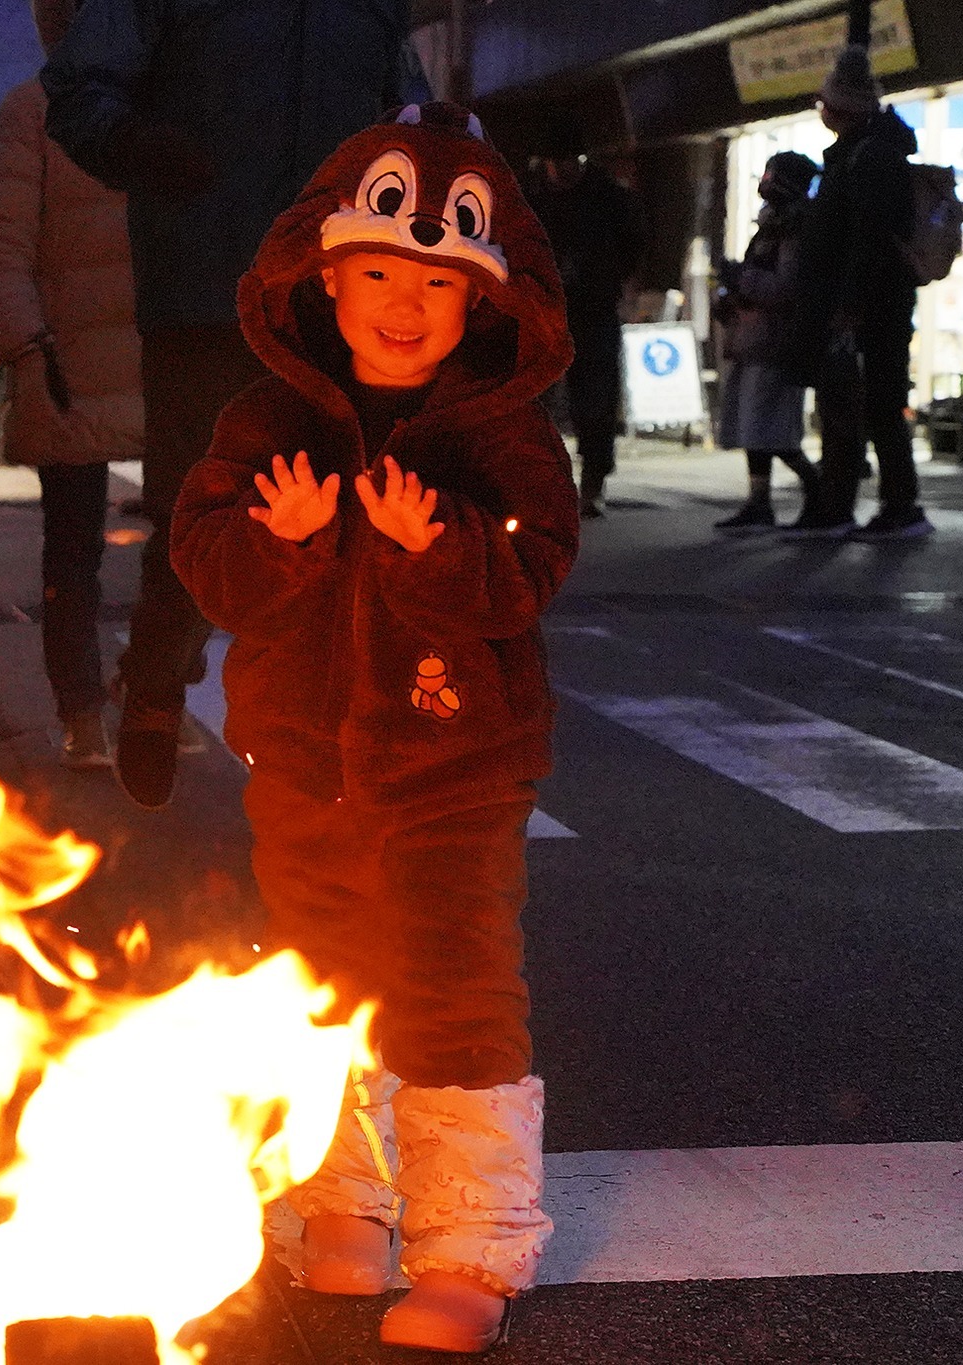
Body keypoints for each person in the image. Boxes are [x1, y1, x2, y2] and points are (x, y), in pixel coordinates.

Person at [172, 104, 578, 1354]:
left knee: (453, 991)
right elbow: (206, 568)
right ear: (324, 278)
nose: (404, 305)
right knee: (320, 983)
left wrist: (438, 548)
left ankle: (468, 1248)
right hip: (301, 766)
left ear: (482, 299)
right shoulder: (264, 419)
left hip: (457, 769)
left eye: (437, 284)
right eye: (378, 274)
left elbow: (529, 575)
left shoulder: (499, 432)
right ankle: (339, 1204)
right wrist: (274, 543)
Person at [43, 0, 423, 809]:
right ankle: (156, 675)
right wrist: (140, 148)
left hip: (336, 295)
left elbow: (410, 113)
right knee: (201, 502)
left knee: (347, 512)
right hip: (205, 285)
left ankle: (321, 740)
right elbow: (79, 88)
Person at [0, 0, 146, 770]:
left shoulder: (32, 111)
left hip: (72, 363)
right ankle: (148, 688)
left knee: (73, 552)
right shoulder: (161, 104)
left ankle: (89, 709)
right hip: (156, 359)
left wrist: (28, 349)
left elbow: (2, 249)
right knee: (188, 536)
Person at [785, 39, 932, 540]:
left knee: (872, 405)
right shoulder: (866, 152)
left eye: (823, 103)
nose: (821, 110)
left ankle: (897, 506)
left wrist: (848, 305)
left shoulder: (867, 158)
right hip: (870, 305)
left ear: (841, 107)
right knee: (853, 405)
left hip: (870, 309)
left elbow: (866, 238)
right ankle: (845, 504)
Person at [528, 131, 644, 517]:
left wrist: (610, 280)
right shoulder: (533, 197)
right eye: (556, 162)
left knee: (596, 400)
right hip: (543, 310)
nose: (563, 170)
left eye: (571, 162)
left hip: (594, 309)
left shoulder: (608, 196)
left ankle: (592, 484)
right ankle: (533, 482)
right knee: (533, 400)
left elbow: (635, 244)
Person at [713, 151, 822, 533]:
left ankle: (816, 487)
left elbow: (787, 287)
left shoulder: (796, 228)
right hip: (754, 338)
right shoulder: (773, 225)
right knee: (752, 425)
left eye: (772, 175)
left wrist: (741, 279)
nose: (766, 182)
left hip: (777, 343)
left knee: (770, 427)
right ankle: (759, 503)